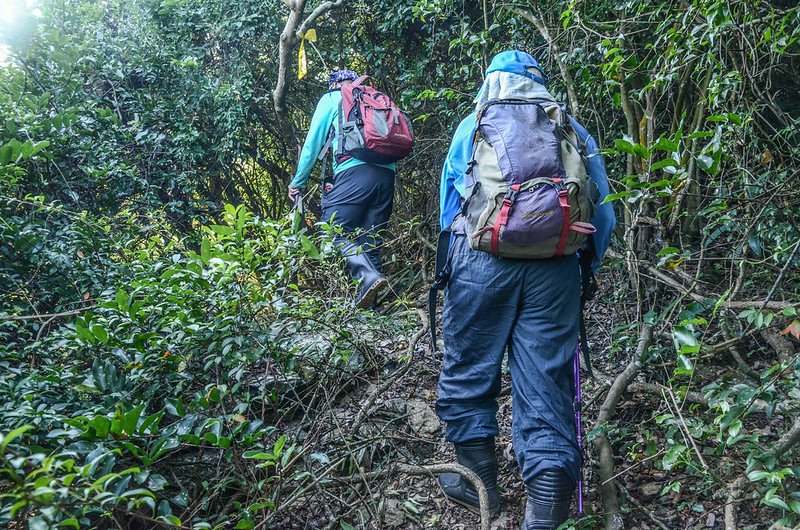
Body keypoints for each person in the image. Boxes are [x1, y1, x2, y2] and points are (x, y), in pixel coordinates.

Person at [435, 50, 615, 529]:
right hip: (555, 266)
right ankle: (547, 503)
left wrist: (451, 266)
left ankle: (477, 483)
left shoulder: (471, 126)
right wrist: (583, 265)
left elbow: (449, 209)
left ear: (490, 81)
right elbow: (605, 215)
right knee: (546, 380)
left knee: (470, 365)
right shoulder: (571, 129)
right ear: (539, 82)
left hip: (479, 261)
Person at [288, 69, 396, 308]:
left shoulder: (331, 98)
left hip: (354, 171)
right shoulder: (373, 97)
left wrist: (298, 182)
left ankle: (367, 278)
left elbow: (312, 144)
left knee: (332, 233)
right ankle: (372, 313)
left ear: (332, 85)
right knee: (371, 241)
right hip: (387, 174)